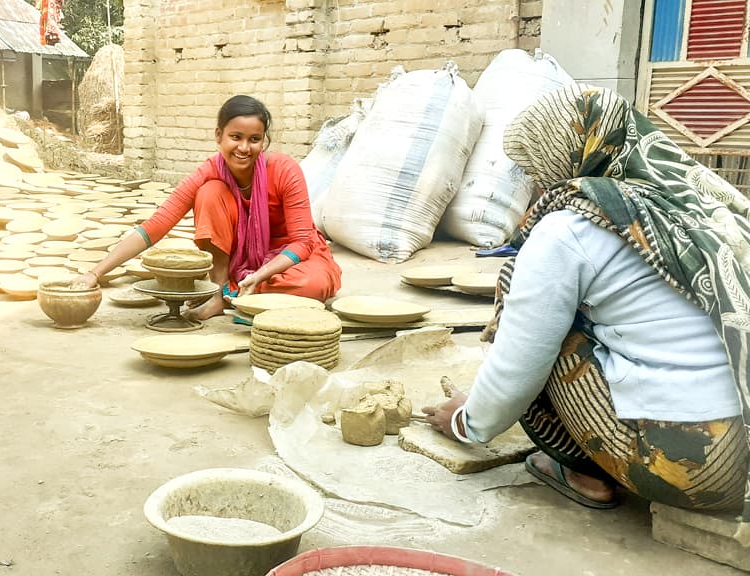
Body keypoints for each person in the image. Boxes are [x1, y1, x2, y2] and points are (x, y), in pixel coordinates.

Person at [422, 84, 750, 543]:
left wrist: (466, 420)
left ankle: (584, 473)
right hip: (745, 454)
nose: (536, 183)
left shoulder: (569, 227)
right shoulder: (692, 202)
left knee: (534, 309)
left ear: (561, 155)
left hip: (690, 468)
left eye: (536, 167)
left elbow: (522, 363)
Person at [74, 95, 341, 319]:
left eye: (254, 139)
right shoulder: (208, 171)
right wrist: (94, 273)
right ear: (219, 135)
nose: (244, 148)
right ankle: (219, 291)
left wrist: (261, 274)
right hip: (238, 260)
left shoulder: (284, 170)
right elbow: (155, 226)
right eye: (235, 137)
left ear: (263, 140)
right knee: (209, 192)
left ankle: (233, 294)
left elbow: (302, 243)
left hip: (290, 258)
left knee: (312, 284)